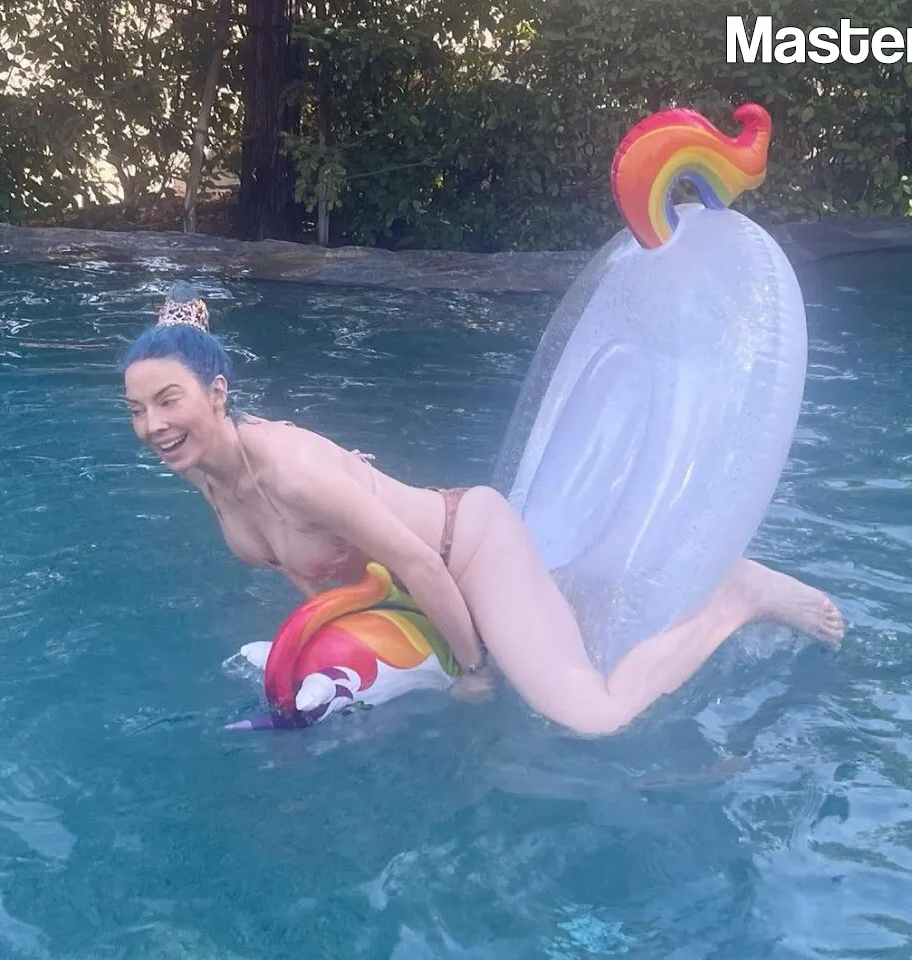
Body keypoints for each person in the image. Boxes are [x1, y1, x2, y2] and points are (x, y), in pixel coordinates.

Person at [122, 286, 844, 736]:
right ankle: (564, 595)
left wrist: (471, 670)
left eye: (168, 401)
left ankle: (732, 596)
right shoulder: (207, 475)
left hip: (460, 548)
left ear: (218, 393)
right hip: (411, 589)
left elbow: (415, 560)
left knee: (592, 716)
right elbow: (317, 580)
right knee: (559, 631)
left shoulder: (292, 469)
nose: (153, 425)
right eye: (137, 409)